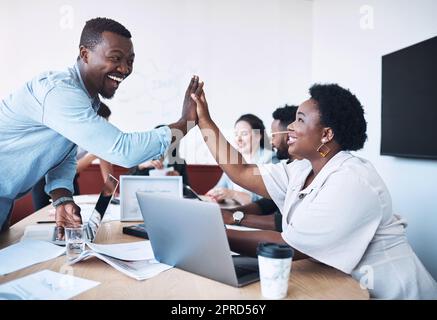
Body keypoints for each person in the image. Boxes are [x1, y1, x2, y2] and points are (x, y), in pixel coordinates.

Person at [191, 83, 437, 299]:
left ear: (326, 134)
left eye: (299, 119)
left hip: (392, 293)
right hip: (344, 287)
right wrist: (204, 120)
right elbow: (242, 171)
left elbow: (288, 246)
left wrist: (213, 235)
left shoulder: (352, 180)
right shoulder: (300, 170)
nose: (290, 128)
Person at [0, 17, 203, 235]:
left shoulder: (87, 99)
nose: (124, 69)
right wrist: (185, 123)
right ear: (85, 54)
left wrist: (62, 198)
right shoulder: (60, 93)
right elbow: (123, 150)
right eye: (115, 58)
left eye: (130, 61)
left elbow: (63, 155)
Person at [222, 105, 298, 231]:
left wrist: (235, 217)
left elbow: (282, 221)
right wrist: (230, 214)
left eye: (274, 136)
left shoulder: (270, 160)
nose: (271, 142)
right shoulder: (288, 166)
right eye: (236, 134)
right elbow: (267, 203)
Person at [31, 102, 114, 211]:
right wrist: (92, 156)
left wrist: (111, 192)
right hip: (44, 179)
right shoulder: (67, 134)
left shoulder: (99, 138)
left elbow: (106, 165)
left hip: (70, 180)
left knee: (74, 213)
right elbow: (63, 169)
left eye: (107, 123)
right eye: (103, 124)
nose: (105, 128)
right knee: (43, 216)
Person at [206, 114, 278, 205]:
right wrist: (215, 195)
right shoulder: (234, 160)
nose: (238, 139)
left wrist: (232, 194)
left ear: (258, 136)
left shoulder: (270, 159)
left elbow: (265, 202)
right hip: (234, 211)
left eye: (244, 134)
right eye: (236, 134)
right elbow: (219, 188)